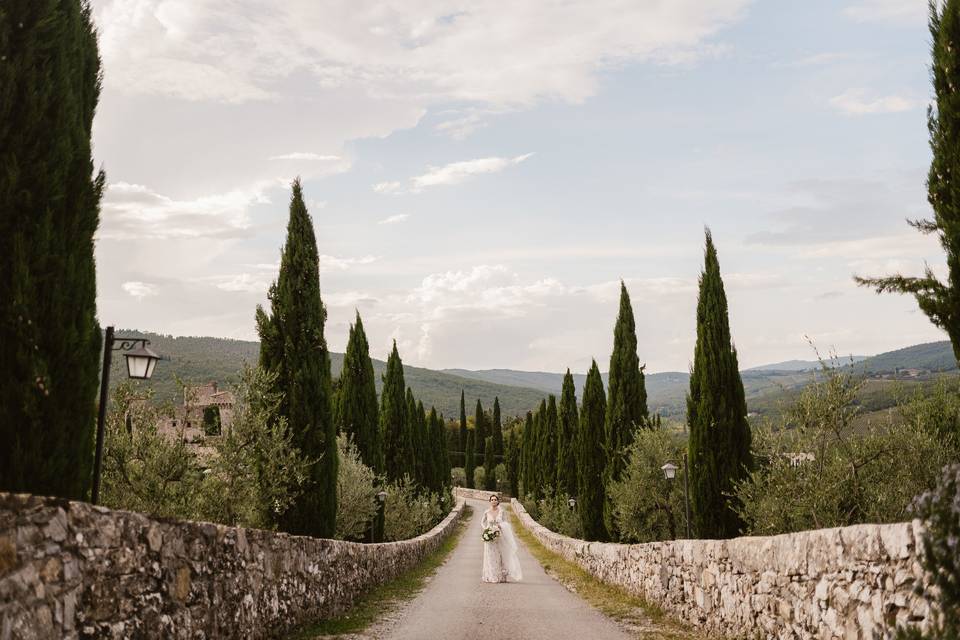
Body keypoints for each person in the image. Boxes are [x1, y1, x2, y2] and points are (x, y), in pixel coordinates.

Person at [480, 494, 522, 583]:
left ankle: (501, 576)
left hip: (499, 536)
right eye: (492, 500)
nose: (494, 501)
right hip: (490, 537)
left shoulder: (502, 511)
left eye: (495, 499)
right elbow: (482, 522)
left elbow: (506, 523)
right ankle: (491, 575)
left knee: (500, 556)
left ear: (498, 501)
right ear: (490, 501)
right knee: (491, 556)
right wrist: (486, 529)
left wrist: (500, 526)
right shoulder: (486, 512)